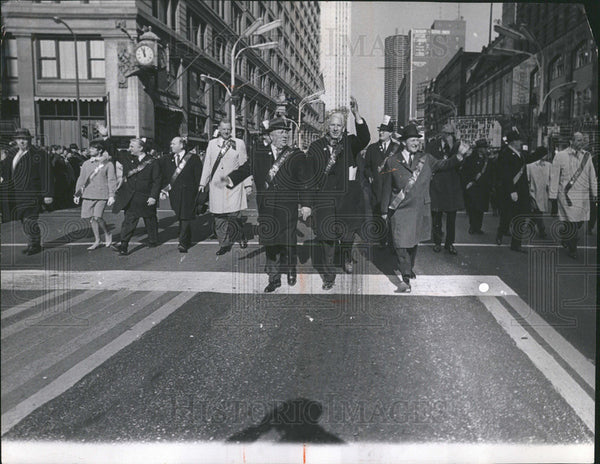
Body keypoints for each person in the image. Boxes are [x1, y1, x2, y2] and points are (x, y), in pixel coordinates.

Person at [220, 117, 310, 292]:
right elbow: (246, 169)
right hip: (267, 206)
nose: (285, 135)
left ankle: (290, 269)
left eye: (286, 132)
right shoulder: (259, 153)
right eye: (281, 132)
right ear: (271, 135)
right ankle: (274, 278)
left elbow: (304, 181)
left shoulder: (296, 155)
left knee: (288, 240)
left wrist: (306, 204)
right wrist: (230, 179)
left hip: (288, 206)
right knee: (270, 241)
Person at [380, 124, 467, 292]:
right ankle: (405, 277)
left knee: (412, 242)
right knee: (400, 243)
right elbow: (386, 187)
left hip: (419, 208)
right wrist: (384, 210)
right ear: (404, 142)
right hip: (400, 209)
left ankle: (408, 268)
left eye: (417, 140)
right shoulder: (392, 161)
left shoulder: (426, 159)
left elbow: (445, 164)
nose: (416, 143)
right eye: (412, 140)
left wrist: (459, 156)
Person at [305, 97, 370, 289]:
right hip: (324, 203)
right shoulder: (316, 147)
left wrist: (356, 114)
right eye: (332, 125)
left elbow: (365, 138)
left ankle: (347, 255)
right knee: (327, 239)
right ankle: (329, 276)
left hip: (347, 202)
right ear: (327, 126)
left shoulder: (350, 143)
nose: (335, 128)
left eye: (339, 125)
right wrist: (307, 204)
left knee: (348, 236)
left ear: (343, 127)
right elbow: (309, 178)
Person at [200, 120, 250, 256]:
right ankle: (224, 244)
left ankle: (240, 236)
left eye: (228, 129)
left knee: (234, 215)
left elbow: (244, 166)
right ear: (219, 129)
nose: (226, 132)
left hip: (233, 184)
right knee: (219, 216)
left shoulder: (239, 143)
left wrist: (248, 185)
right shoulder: (212, 144)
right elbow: (207, 165)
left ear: (231, 129)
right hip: (217, 185)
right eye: (223, 129)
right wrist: (202, 183)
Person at [0, 128, 54, 255]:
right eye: (19, 139)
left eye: (24, 139)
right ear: (15, 141)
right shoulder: (12, 154)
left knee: (30, 219)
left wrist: (48, 194)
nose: (22, 142)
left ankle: (35, 244)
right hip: (15, 193)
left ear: (29, 140)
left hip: (32, 193)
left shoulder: (39, 154)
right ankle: (31, 242)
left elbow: (47, 175)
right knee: (23, 219)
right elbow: (6, 170)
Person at [495, 127, 547, 252]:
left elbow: (531, 158)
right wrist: (512, 190)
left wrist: (543, 149)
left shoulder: (520, 154)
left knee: (522, 216)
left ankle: (516, 244)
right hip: (509, 191)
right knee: (507, 217)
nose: (521, 142)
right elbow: (505, 175)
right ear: (513, 142)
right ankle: (500, 232)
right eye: (519, 140)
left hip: (522, 191)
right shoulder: (505, 154)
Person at [549, 132, 597, 259]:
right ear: (571, 141)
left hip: (583, 196)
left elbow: (592, 175)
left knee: (579, 222)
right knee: (572, 224)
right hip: (567, 196)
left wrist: (595, 193)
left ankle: (565, 235)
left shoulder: (587, 156)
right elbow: (554, 177)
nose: (581, 142)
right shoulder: (560, 156)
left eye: (582, 140)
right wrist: (553, 197)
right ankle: (573, 249)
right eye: (578, 140)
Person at [111, 138, 161, 256]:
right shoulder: (128, 158)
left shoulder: (152, 161)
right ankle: (124, 246)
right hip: (131, 197)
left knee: (150, 219)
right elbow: (113, 152)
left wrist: (153, 196)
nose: (129, 148)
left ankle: (153, 239)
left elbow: (157, 181)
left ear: (141, 148)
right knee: (129, 221)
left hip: (146, 196)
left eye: (132, 146)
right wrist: (105, 137)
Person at [159, 136, 203, 253]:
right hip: (175, 194)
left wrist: (200, 195)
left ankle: (182, 243)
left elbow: (199, 177)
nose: (171, 146)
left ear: (181, 145)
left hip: (189, 193)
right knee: (181, 216)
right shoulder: (167, 159)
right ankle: (186, 238)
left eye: (173, 144)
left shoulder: (193, 158)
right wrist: (164, 190)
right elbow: (165, 176)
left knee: (185, 217)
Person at [364, 115, 402, 246]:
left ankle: (392, 241)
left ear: (390, 133)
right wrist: (370, 175)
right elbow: (366, 167)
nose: (381, 132)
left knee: (392, 215)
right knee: (377, 214)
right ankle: (381, 240)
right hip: (377, 187)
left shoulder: (397, 148)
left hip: (393, 188)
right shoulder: (372, 148)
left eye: (384, 130)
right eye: (380, 130)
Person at [427, 122, 464, 254]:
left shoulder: (457, 147)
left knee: (451, 218)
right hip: (437, 186)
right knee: (436, 216)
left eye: (451, 134)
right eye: (446, 133)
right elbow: (434, 165)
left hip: (452, 186)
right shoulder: (432, 146)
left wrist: (454, 148)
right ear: (441, 134)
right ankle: (437, 242)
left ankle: (450, 243)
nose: (448, 136)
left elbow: (461, 164)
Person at [73, 139, 117, 250]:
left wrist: (112, 195)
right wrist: (77, 194)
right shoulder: (86, 163)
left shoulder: (108, 164)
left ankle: (107, 233)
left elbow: (112, 179)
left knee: (98, 217)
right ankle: (97, 240)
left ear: (100, 150)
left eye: (93, 148)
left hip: (102, 194)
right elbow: (81, 179)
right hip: (88, 194)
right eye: (90, 148)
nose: (90, 150)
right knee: (92, 218)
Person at [460, 139, 492, 234]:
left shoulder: (487, 160)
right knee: (473, 208)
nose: (486, 149)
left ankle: (478, 227)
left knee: (480, 209)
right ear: (479, 149)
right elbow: (465, 173)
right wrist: (467, 184)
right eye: (484, 148)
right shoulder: (471, 159)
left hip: (483, 188)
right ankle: (472, 226)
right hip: (473, 187)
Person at [526, 150, 552, 239]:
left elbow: (551, 178)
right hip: (533, 192)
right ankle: (542, 230)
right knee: (538, 211)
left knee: (539, 212)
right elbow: (527, 180)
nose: (547, 156)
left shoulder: (549, 165)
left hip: (544, 192)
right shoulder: (530, 166)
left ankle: (530, 224)